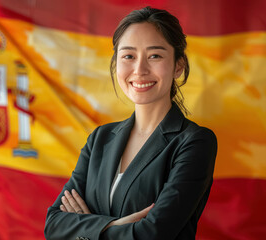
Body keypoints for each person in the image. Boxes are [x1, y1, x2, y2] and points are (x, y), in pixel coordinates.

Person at [44, 6, 217, 240]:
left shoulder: (194, 142)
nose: (139, 70)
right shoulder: (100, 138)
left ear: (178, 65)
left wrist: (88, 229)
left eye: (155, 55)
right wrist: (117, 225)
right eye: (128, 56)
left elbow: (153, 233)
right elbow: (54, 224)